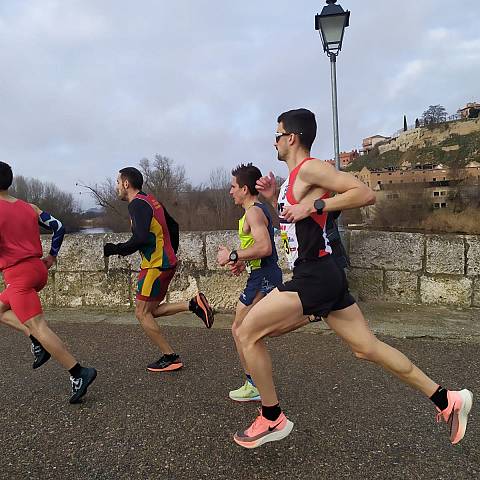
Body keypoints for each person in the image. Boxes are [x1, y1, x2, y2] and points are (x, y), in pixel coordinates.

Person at [232, 108, 473, 449]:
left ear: (292, 137)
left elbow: (363, 193)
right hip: (323, 274)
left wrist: (315, 207)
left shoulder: (311, 168)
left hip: (314, 276)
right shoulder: (292, 180)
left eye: (277, 135)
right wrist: (274, 198)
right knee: (367, 348)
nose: (274, 141)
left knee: (246, 332)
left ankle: (272, 418)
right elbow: (293, 225)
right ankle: (447, 399)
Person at [0, 161, 97, 404]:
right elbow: (59, 227)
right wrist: (52, 254)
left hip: (19, 276)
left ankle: (78, 372)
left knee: (40, 326)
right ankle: (34, 339)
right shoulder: (29, 207)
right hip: (38, 269)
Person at [103, 167, 214, 372]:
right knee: (151, 310)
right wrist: (171, 253)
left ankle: (170, 356)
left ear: (126, 184)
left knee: (141, 313)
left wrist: (115, 249)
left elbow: (140, 238)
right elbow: (174, 226)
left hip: (155, 265)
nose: (117, 186)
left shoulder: (137, 204)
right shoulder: (150, 200)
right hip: (164, 262)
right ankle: (193, 304)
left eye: (118, 182)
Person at [217, 163, 283, 402]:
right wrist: (243, 262)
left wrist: (232, 256)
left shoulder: (254, 212)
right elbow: (258, 249)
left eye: (233, 187)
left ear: (244, 189)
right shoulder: (252, 212)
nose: (230, 191)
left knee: (242, 330)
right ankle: (254, 383)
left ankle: (255, 385)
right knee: (245, 330)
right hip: (260, 274)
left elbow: (265, 248)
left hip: (264, 278)